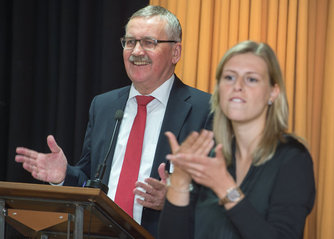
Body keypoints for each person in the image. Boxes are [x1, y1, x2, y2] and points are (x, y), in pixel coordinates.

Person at [15, 5, 211, 238]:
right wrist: (63, 175)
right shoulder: (104, 106)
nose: (136, 51)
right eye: (130, 42)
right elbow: (90, 182)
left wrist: (176, 197)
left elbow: (218, 196)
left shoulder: (205, 110)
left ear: (175, 53)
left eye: (149, 42)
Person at [159, 40, 316, 239]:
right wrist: (180, 181)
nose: (237, 86)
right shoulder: (208, 155)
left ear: (273, 92)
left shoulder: (292, 158)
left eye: (251, 79)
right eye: (229, 77)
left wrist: (225, 186)